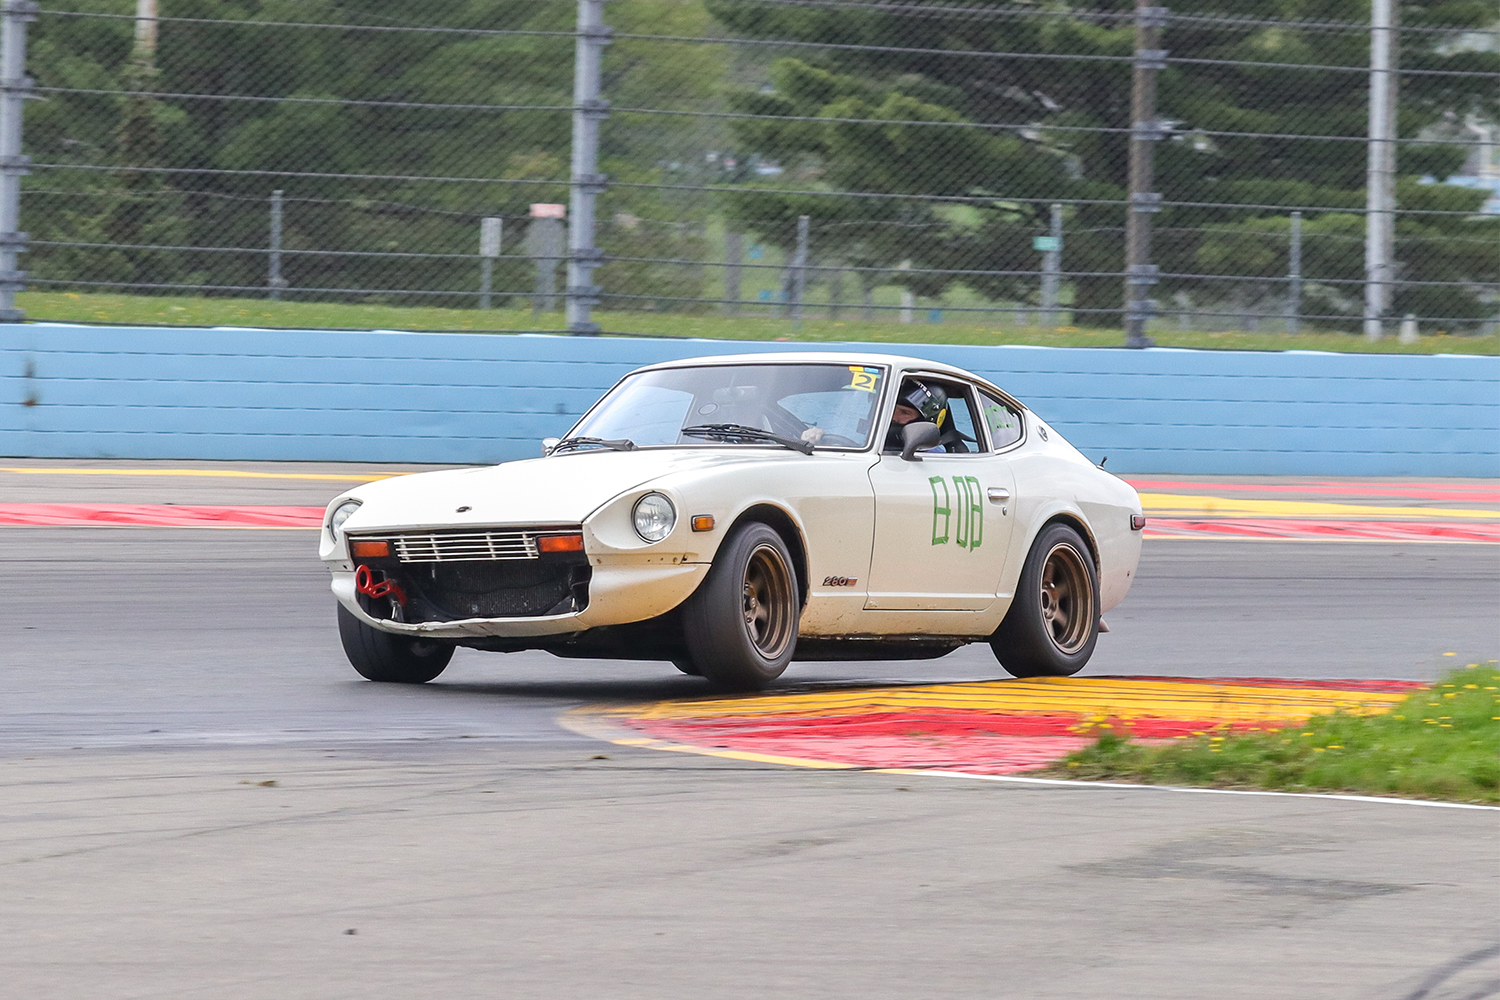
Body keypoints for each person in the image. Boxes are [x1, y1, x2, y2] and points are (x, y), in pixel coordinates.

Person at [884, 378, 950, 451]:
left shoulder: (932, 459)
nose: (893, 416)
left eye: (905, 412)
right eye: (892, 409)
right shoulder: (871, 441)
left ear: (924, 422)